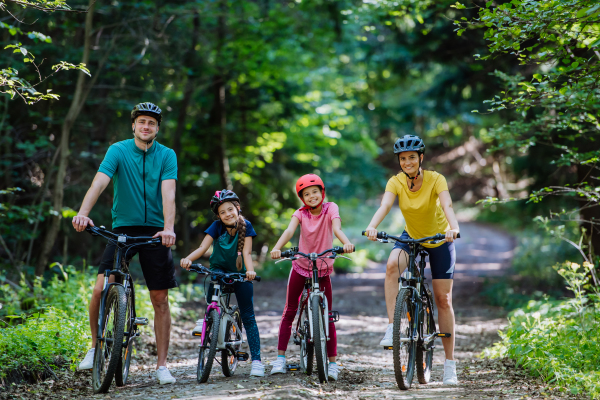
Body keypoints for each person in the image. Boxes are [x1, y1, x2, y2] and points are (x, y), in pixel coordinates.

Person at [72, 102, 179, 385]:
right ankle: (95, 348)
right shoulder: (118, 150)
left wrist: (168, 228)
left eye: (152, 123)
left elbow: (169, 194)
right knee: (99, 288)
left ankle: (161, 366)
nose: (146, 127)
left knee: (160, 299)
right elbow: (99, 183)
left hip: (156, 231)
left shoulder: (167, 155)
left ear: (157, 128)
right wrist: (83, 213)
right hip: (123, 228)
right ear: (134, 125)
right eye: (142, 122)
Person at [364, 134, 460, 385]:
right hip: (412, 236)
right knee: (391, 266)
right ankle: (391, 327)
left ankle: (450, 364)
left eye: (412, 158)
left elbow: (447, 204)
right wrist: (372, 226)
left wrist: (454, 227)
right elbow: (385, 205)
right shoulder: (395, 181)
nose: (407, 162)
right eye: (403, 158)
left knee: (443, 299)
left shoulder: (436, 179)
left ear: (421, 158)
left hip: (440, 238)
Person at [269, 174, 354, 381]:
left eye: (315, 191)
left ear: (322, 192)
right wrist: (277, 248)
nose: (312, 196)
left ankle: (332, 364)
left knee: (328, 317)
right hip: (300, 265)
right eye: (307, 194)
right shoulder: (299, 213)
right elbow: (290, 231)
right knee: (290, 310)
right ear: (302, 198)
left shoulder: (330, 208)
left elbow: (336, 227)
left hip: (323, 266)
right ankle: (280, 358)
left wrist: (347, 242)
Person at [180, 190, 265, 377]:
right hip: (219, 270)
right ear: (218, 215)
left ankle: (257, 361)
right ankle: (208, 320)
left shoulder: (246, 226)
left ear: (238, 208)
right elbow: (203, 248)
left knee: (248, 316)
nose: (227, 214)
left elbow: (248, 253)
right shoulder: (216, 227)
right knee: (213, 297)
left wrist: (250, 271)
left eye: (230, 209)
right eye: (222, 212)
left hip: (240, 274)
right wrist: (188, 259)